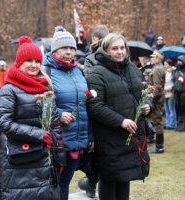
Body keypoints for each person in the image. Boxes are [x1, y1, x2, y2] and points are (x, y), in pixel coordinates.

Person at [0, 36, 64, 200]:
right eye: (29, 61)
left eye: (37, 61)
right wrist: (38, 134)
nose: (34, 65)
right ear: (19, 63)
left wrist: (60, 156)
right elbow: (4, 123)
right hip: (20, 160)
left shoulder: (45, 88)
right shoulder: (9, 90)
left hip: (45, 161)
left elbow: (54, 124)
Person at [86, 33, 151, 200]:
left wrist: (147, 105)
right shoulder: (96, 73)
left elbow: (145, 92)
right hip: (109, 138)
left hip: (130, 136)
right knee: (109, 179)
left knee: (125, 177)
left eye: (122, 48)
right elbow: (95, 106)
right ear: (106, 50)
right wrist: (120, 121)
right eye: (115, 48)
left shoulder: (134, 70)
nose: (120, 52)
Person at [42, 26, 93, 200]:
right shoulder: (45, 71)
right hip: (57, 139)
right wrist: (58, 114)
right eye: (65, 48)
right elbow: (36, 103)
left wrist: (90, 136)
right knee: (53, 183)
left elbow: (86, 106)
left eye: (72, 48)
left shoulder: (78, 71)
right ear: (55, 50)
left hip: (77, 139)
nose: (70, 52)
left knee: (64, 182)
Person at [77, 24, 109, 198]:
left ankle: (91, 182)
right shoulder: (115, 55)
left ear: (95, 39)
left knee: (93, 149)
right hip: (111, 107)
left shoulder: (91, 58)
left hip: (96, 105)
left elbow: (89, 81)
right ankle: (93, 182)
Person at [147, 51, 166, 153]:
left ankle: (159, 147)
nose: (151, 58)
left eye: (153, 57)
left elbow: (157, 87)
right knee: (154, 119)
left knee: (157, 121)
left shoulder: (158, 69)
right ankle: (153, 140)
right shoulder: (157, 67)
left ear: (158, 58)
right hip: (158, 97)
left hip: (157, 98)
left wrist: (151, 99)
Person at [164, 59, 177, 130]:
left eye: (165, 64)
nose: (164, 65)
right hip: (164, 93)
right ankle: (167, 124)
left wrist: (168, 88)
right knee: (167, 110)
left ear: (169, 64)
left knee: (171, 109)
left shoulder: (173, 72)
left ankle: (172, 125)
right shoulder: (165, 72)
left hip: (171, 93)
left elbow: (174, 83)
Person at [173, 55, 185, 131]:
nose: (178, 62)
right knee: (178, 109)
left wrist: (180, 78)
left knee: (183, 109)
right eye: (178, 61)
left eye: (180, 61)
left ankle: (183, 124)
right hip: (176, 93)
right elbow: (173, 80)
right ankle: (179, 124)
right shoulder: (176, 70)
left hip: (183, 93)